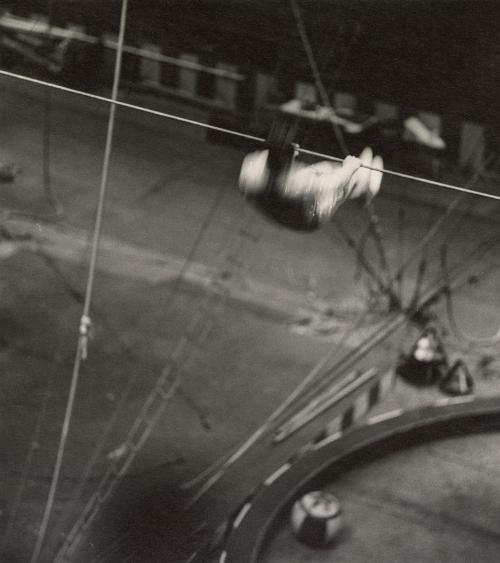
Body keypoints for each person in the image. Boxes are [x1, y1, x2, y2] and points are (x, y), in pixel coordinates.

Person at [238, 145, 384, 230]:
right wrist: (350, 167)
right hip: (307, 218)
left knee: (323, 169)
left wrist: (290, 153)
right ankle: (363, 187)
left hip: (281, 201)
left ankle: (358, 180)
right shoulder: (294, 185)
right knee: (337, 187)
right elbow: (332, 183)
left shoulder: (257, 162)